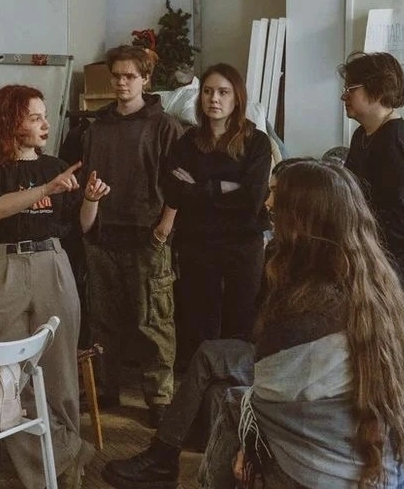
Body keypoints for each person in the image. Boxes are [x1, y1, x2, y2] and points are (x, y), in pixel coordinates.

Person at [200, 161, 404, 488]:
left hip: (319, 475)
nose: (268, 204)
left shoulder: (303, 309)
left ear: (302, 225)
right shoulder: (379, 287)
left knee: (233, 402)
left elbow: (268, 401)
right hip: (387, 469)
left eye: (277, 204)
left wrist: (248, 437)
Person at [102, 158, 308, 489]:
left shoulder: (312, 260)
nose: (267, 202)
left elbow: (295, 334)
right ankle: (176, 458)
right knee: (214, 385)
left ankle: (162, 457)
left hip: (291, 365)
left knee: (210, 355)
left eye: (274, 194)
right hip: (269, 350)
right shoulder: (281, 250)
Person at [0, 84, 101, 489]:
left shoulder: (56, 165)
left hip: (52, 262)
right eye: (35, 117)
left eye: (45, 115)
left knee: (60, 376)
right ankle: (63, 461)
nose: (46, 123)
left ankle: (55, 470)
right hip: (6, 265)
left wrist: (91, 200)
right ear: (12, 122)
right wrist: (45, 190)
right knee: (7, 378)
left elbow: (78, 227)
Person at [80, 45, 184, 427]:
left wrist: (164, 228)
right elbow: (86, 181)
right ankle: (106, 389)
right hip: (104, 235)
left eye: (130, 76)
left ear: (145, 80)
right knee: (103, 319)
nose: (122, 83)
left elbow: (178, 184)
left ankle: (159, 397)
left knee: (152, 321)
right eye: (117, 76)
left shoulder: (164, 125)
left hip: (148, 237)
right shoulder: (97, 126)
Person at [165, 63, 271, 356]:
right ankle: (202, 390)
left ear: (237, 98)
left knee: (241, 317)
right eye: (208, 92)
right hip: (197, 243)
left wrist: (200, 188)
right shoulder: (187, 142)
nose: (214, 99)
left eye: (223, 92)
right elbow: (174, 191)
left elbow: (253, 198)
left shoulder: (256, 143)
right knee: (199, 319)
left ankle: (236, 390)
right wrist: (225, 187)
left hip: (242, 244)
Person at [340, 51, 404, 346]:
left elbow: (402, 224)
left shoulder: (396, 142)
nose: (344, 96)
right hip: (373, 273)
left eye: (351, 89)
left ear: (377, 89)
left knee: (392, 372)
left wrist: (355, 239)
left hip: (397, 278)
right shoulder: (362, 137)